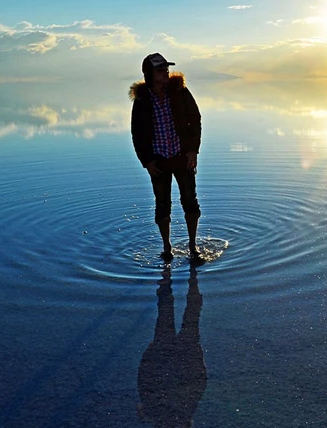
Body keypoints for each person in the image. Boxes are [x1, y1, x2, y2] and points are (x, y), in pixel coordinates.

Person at [130, 53, 202, 262]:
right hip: (158, 161)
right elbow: (137, 133)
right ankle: (167, 248)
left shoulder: (180, 91)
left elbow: (195, 119)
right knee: (162, 205)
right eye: (160, 70)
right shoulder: (142, 100)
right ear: (149, 74)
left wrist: (192, 150)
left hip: (182, 157)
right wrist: (146, 161)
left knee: (190, 201)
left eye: (166, 69)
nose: (165, 73)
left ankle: (193, 246)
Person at [137, 267, 207, 427]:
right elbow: (199, 380)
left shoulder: (153, 407)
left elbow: (200, 380)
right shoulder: (152, 408)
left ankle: (176, 275)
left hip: (169, 354)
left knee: (182, 316)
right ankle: (186, 275)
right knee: (172, 315)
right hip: (176, 355)